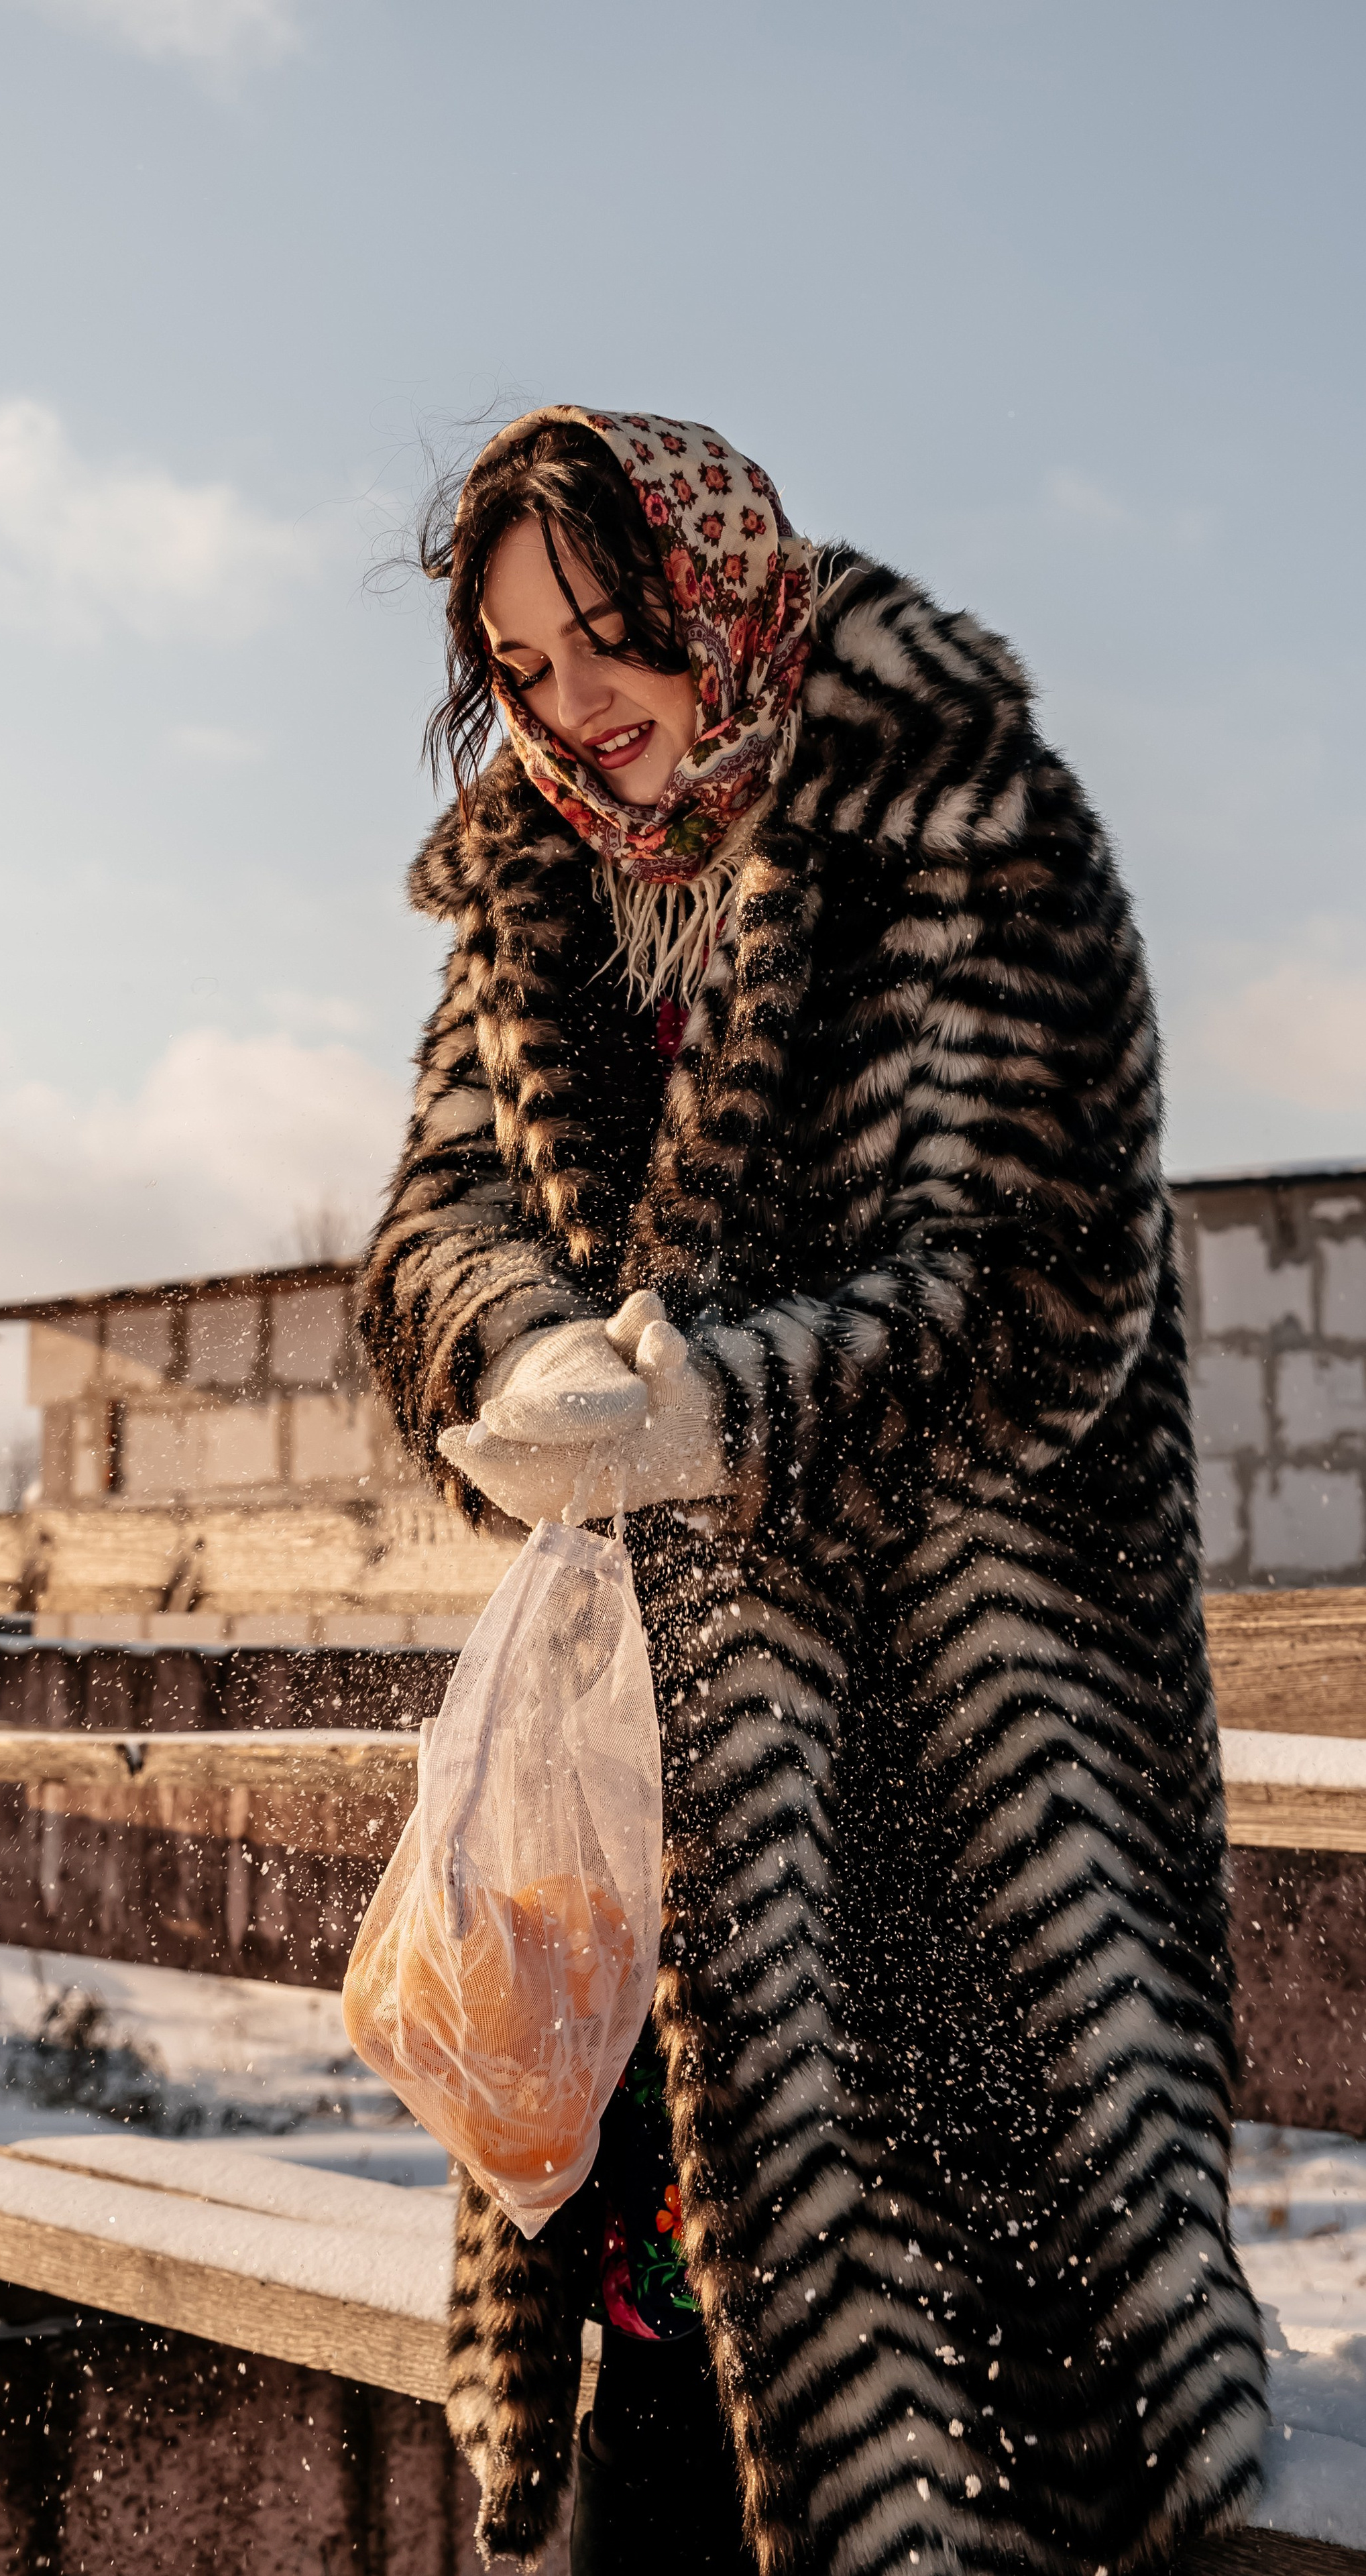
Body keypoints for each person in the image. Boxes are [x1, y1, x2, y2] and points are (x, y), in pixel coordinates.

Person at [357, 407, 1266, 2576]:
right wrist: (514, 1343)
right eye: (527, 666)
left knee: (984, 2440)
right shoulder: (523, 891)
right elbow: (428, 1217)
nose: (583, 705)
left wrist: (733, 1405)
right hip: (661, 1823)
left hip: (959, 1789)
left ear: (721, 586)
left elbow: (1047, 1281)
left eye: (613, 636)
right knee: (665, 2427)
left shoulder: (969, 822)